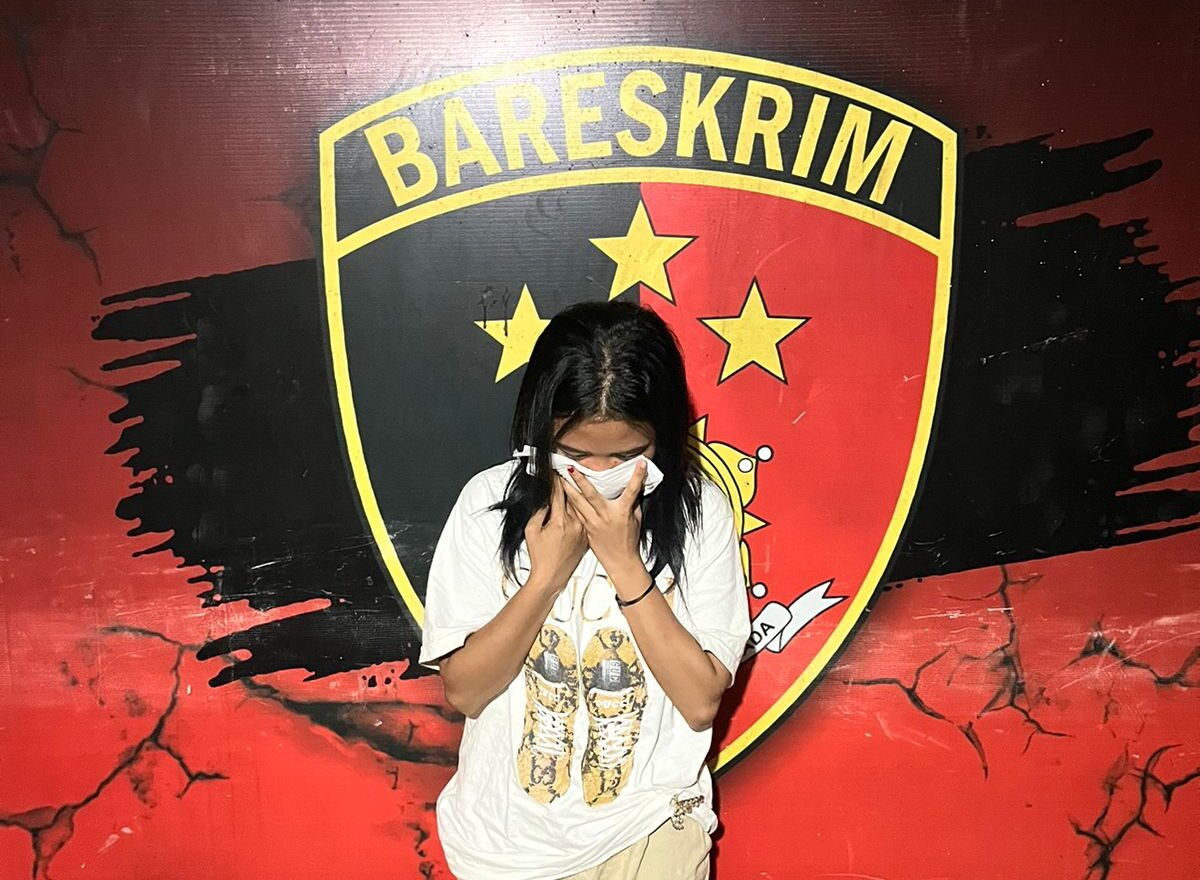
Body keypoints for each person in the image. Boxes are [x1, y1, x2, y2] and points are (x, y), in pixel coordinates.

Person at [419, 300, 751, 880]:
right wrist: (546, 577)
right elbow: (466, 691)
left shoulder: (701, 512)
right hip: (503, 846)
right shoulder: (486, 504)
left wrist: (625, 563)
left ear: (663, 437)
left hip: (649, 834)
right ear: (540, 432)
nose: (599, 475)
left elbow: (701, 702)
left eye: (627, 456)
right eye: (574, 456)